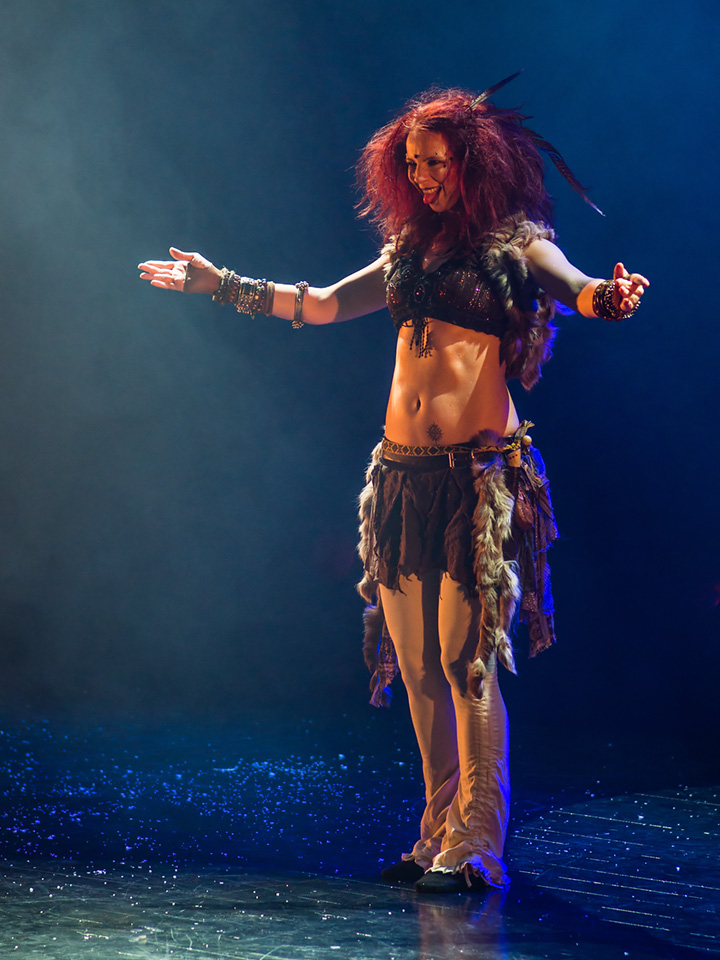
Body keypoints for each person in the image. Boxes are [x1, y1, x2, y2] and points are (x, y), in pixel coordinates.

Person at [138, 80, 648, 895]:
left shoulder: (517, 245)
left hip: (479, 479)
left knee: (465, 661)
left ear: (472, 163)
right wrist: (222, 284)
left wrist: (609, 299)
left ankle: (478, 846)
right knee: (416, 666)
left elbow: (578, 288)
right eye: (412, 165)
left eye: (436, 163)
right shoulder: (408, 250)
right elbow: (322, 305)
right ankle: (438, 830)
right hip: (402, 480)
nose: (422, 178)